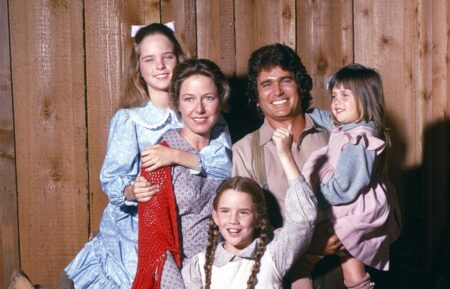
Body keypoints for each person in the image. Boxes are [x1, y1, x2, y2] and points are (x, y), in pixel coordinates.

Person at [63, 23, 231, 288]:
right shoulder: (131, 120)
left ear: (179, 60)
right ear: (138, 68)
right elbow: (111, 180)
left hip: (191, 230)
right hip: (137, 232)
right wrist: (132, 190)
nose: (160, 66)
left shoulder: (201, 112)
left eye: (167, 57)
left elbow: (224, 166)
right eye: (149, 59)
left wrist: (175, 155)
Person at [232, 43, 344, 288]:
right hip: (282, 274)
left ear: (300, 86)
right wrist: (308, 246)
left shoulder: (334, 133)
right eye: (266, 84)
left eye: (285, 81)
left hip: (343, 265)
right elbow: (243, 230)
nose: (278, 92)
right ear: (257, 97)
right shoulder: (244, 151)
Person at [131, 58, 232, 289]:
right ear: (177, 103)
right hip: (183, 276)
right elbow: (156, 246)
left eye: (208, 98)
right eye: (189, 99)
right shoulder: (159, 157)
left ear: (221, 100)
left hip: (229, 271)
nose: (199, 109)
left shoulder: (228, 147)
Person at [299, 63, 401, 289]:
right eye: (334, 95)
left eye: (345, 95)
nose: (337, 101)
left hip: (350, 208)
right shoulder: (350, 127)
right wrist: (308, 111)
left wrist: (315, 195)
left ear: (366, 100)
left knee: (303, 264)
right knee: (353, 271)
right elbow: (330, 121)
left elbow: (344, 189)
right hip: (352, 207)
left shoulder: (359, 141)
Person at [182, 159, 318, 289]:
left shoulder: (273, 255)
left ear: (258, 218)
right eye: (225, 211)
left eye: (243, 212)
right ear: (215, 217)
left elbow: (303, 218)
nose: (233, 220)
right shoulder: (199, 266)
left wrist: (285, 154)